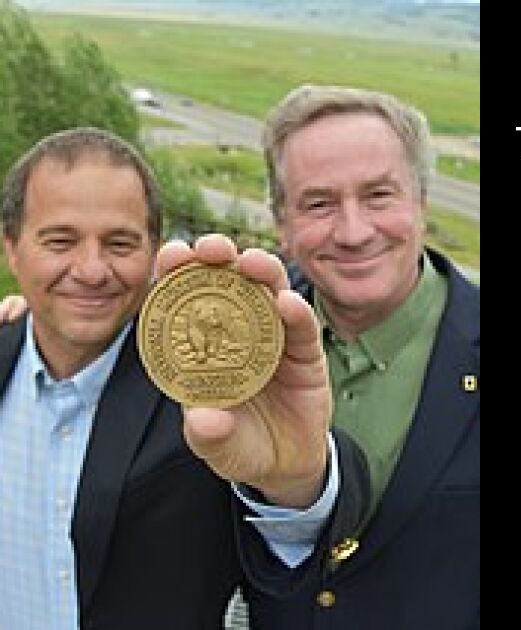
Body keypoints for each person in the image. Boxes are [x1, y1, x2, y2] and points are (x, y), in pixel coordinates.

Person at [0, 128, 358, 629]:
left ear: (153, 251)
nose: (91, 269)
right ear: (11, 248)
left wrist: (295, 489)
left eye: (120, 242)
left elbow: (295, 576)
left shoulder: (213, 401)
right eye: (60, 240)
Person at [238, 85, 480, 629]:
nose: (353, 232)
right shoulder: (241, 335)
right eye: (318, 203)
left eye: (378, 196)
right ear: (282, 223)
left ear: (421, 200)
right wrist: (23, 328)